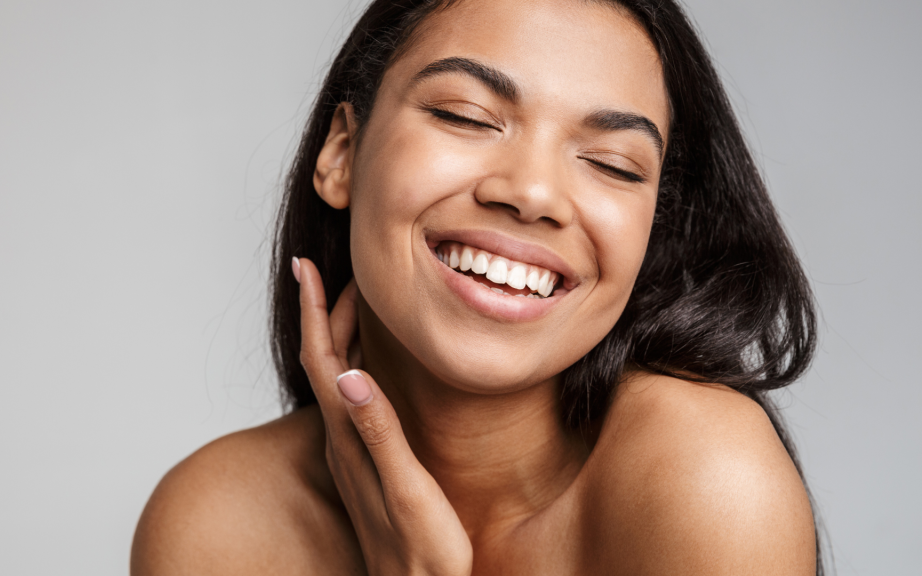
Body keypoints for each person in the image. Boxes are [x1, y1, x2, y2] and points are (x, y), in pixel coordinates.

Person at [131, 0, 822, 573]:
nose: (532, 193)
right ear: (343, 153)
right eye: (466, 116)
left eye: (612, 163)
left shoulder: (706, 482)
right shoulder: (217, 528)